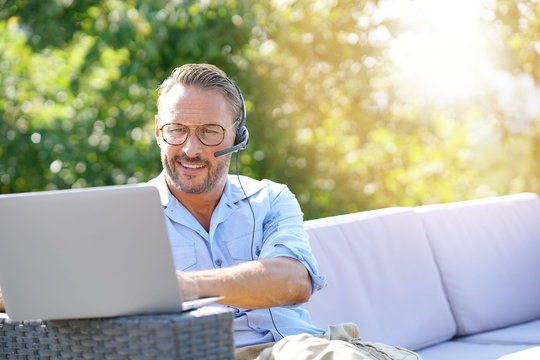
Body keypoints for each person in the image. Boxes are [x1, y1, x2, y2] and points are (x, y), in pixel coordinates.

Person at [1, 64, 420, 359]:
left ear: (237, 136)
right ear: (157, 131)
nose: (191, 148)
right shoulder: (121, 217)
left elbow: (295, 280)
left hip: (297, 347)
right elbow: (31, 289)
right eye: (176, 130)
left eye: (210, 132)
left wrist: (183, 286)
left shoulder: (270, 198)